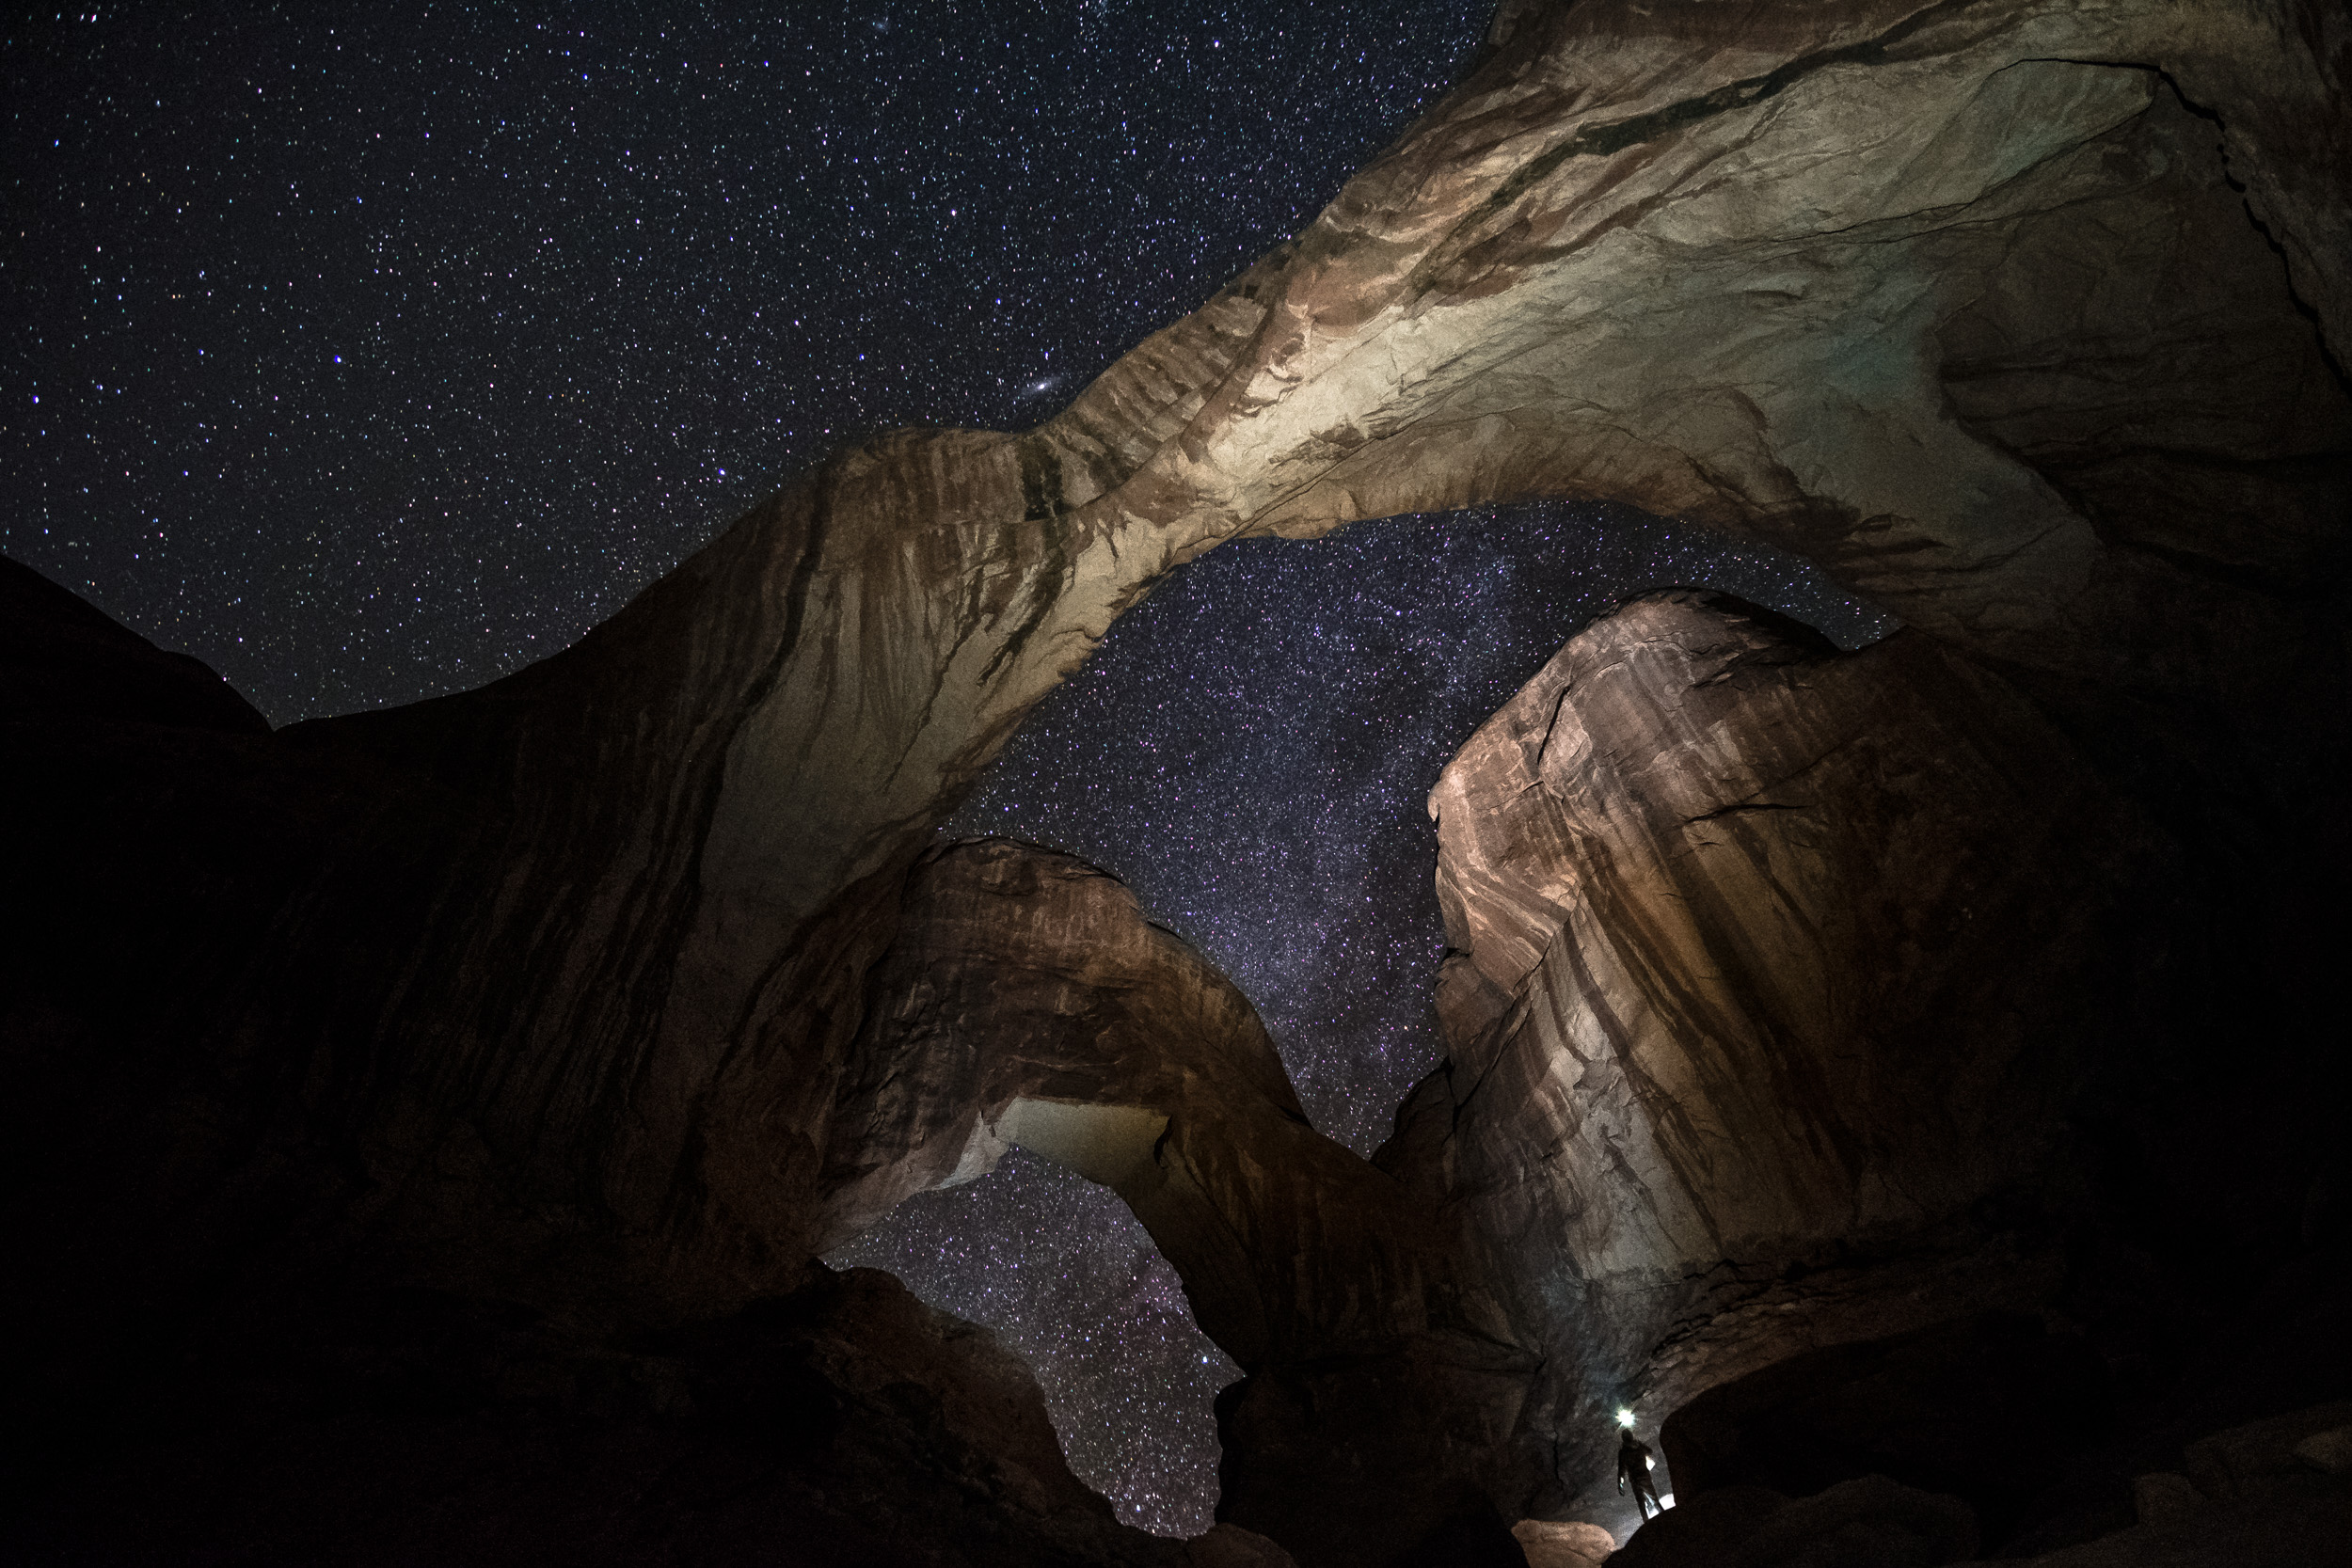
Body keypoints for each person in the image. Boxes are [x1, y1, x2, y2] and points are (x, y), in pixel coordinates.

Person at [1616, 1424, 1664, 1520]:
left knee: (1641, 1504)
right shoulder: (1639, 1447)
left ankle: (1647, 1524)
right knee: (1654, 1500)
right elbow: (1650, 1451)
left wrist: (1620, 1485)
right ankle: (1665, 1517)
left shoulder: (1623, 1452)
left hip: (1635, 1480)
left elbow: (1621, 1471)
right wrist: (1640, 1444)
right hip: (1645, 1476)